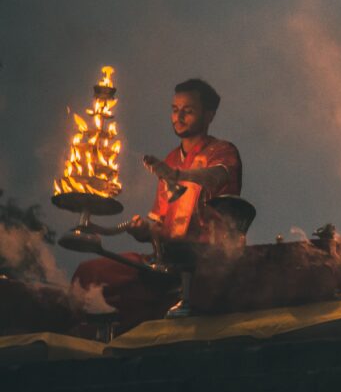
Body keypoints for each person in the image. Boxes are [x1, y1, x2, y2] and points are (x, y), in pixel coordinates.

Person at [72, 78, 242, 328]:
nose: (179, 117)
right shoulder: (171, 159)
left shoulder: (222, 151)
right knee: (89, 275)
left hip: (204, 261)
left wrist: (176, 176)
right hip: (163, 262)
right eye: (175, 110)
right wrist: (142, 229)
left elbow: (216, 176)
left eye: (188, 111)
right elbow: (158, 225)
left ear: (209, 115)